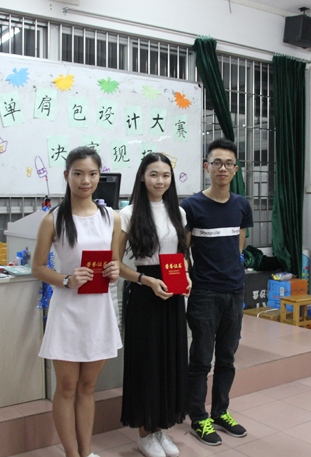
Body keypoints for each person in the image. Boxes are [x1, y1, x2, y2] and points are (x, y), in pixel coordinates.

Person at [33, 146, 123, 457]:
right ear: (66, 175)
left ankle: (86, 453)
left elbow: (114, 261)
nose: (86, 180)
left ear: (99, 177)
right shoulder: (53, 219)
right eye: (78, 174)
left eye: (92, 174)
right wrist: (66, 279)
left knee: (88, 387)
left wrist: (114, 270)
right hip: (68, 311)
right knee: (67, 387)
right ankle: (72, 455)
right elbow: (37, 267)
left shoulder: (111, 217)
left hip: (98, 310)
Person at [180, 138, 253, 446]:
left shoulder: (241, 205)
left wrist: (231, 272)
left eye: (228, 164)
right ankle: (198, 416)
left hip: (234, 291)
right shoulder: (190, 206)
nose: (223, 168)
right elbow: (183, 249)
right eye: (217, 163)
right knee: (200, 358)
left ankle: (220, 412)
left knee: (227, 358)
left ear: (235, 169)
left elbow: (239, 244)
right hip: (204, 293)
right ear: (206, 166)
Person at [118, 153, 191, 457]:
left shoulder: (179, 212)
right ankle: (144, 434)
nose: (160, 181)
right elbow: (115, 265)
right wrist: (145, 281)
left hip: (172, 293)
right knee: (147, 361)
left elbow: (181, 254)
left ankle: (159, 429)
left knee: (169, 360)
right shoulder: (128, 213)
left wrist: (186, 277)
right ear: (142, 177)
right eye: (153, 174)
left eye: (165, 175)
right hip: (144, 292)